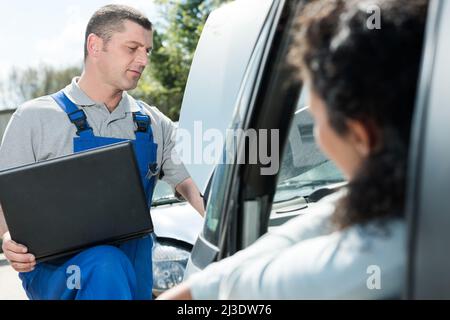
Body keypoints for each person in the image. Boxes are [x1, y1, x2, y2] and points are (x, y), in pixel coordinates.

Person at [158, 0, 428, 300]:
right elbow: (331, 213)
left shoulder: (370, 260)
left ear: (360, 135)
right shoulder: (418, 199)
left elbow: (236, 290)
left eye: (315, 117)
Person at [0, 4, 204, 300]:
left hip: (136, 273)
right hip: (59, 273)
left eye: (147, 50)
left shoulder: (154, 123)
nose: (143, 59)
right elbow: (5, 206)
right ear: (95, 46)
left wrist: (228, 229)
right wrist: (7, 240)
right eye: (132, 48)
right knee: (105, 263)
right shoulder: (33, 119)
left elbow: (193, 185)